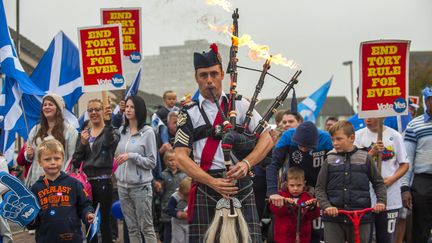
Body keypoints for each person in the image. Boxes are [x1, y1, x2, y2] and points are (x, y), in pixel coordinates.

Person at [174, 44, 273, 243]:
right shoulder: (188, 113)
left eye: (213, 74)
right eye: (203, 75)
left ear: (222, 75)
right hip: (207, 184)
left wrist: (246, 164)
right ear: (196, 78)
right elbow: (180, 156)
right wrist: (212, 182)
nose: (209, 81)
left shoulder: (241, 105)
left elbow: (268, 138)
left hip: (240, 183)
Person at [315, 120, 387, 243]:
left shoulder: (365, 158)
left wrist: (381, 201)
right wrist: (326, 206)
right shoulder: (329, 159)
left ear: (352, 138)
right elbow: (319, 188)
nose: (335, 143)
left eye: (339, 139)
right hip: (333, 218)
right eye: (333, 140)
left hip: (360, 217)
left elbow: (378, 183)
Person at [267, 121, 333, 242]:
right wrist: (273, 192)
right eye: (300, 145)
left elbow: (334, 170)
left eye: (307, 147)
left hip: (318, 186)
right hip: (294, 184)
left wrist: (326, 194)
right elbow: (273, 165)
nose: (303, 149)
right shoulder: (287, 136)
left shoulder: (326, 139)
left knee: (316, 230)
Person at [71, 98, 119, 243]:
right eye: (90, 110)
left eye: (97, 109)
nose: (93, 112)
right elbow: (76, 161)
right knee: (89, 220)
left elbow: (111, 143)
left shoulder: (111, 131)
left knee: (104, 221)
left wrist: (109, 122)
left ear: (103, 111)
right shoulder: (85, 134)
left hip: (104, 181)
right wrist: (82, 144)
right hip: (87, 184)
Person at [28, 138, 94, 243]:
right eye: (47, 159)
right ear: (39, 162)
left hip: (72, 238)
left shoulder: (75, 184)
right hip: (46, 239)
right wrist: (29, 219)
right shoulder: (35, 189)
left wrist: (88, 214)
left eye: (57, 158)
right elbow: (32, 219)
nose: (53, 162)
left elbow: (85, 205)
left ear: (63, 159)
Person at [354, 117, 409, 243]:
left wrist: (391, 180)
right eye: (366, 115)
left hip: (390, 198)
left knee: (386, 239)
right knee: (364, 239)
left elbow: (404, 164)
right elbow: (353, 164)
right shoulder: (357, 136)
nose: (368, 119)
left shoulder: (395, 136)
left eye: (372, 115)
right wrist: (371, 153)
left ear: (382, 116)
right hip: (364, 198)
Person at [115, 95, 158, 243]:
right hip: (122, 186)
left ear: (139, 109)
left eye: (132, 107)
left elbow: (152, 162)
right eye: (126, 106)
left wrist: (132, 156)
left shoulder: (148, 132)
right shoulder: (122, 130)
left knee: (146, 227)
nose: (128, 109)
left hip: (141, 188)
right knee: (131, 228)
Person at [25, 93, 78, 187]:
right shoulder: (36, 129)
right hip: (38, 180)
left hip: (59, 181)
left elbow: (71, 157)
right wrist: (29, 154)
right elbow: (30, 154)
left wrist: (63, 177)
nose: (47, 107)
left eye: (50, 104)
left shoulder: (69, 131)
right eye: (44, 105)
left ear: (58, 108)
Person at [401, 86, 432, 243]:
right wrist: (405, 188)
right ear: (426, 101)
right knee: (421, 229)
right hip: (423, 181)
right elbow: (408, 159)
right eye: (431, 99)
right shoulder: (414, 125)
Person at [269, 167, 320, 243]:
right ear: (287, 184)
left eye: (299, 185)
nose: (295, 188)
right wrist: (284, 204)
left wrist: (312, 208)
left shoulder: (308, 197)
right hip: (283, 238)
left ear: (304, 184)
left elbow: (313, 216)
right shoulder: (281, 196)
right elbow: (275, 211)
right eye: (292, 185)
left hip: (302, 238)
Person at [158, 149, 187, 242]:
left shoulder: (184, 174)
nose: (173, 162)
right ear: (165, 161)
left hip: (181, 211)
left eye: (175, 159)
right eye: (170, 160)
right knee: (168, 236)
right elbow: (160, 194)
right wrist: (158, 189)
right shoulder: (163, 175)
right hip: (167, 213)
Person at [165, 177, 192, 243]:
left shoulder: (195, 196)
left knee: (189, 240)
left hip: (190, 224)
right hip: (177, 223)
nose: (185, 198)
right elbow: (168, 209)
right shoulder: (176, 196)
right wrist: (179, 214)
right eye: (183, 195)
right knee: (178, 240)